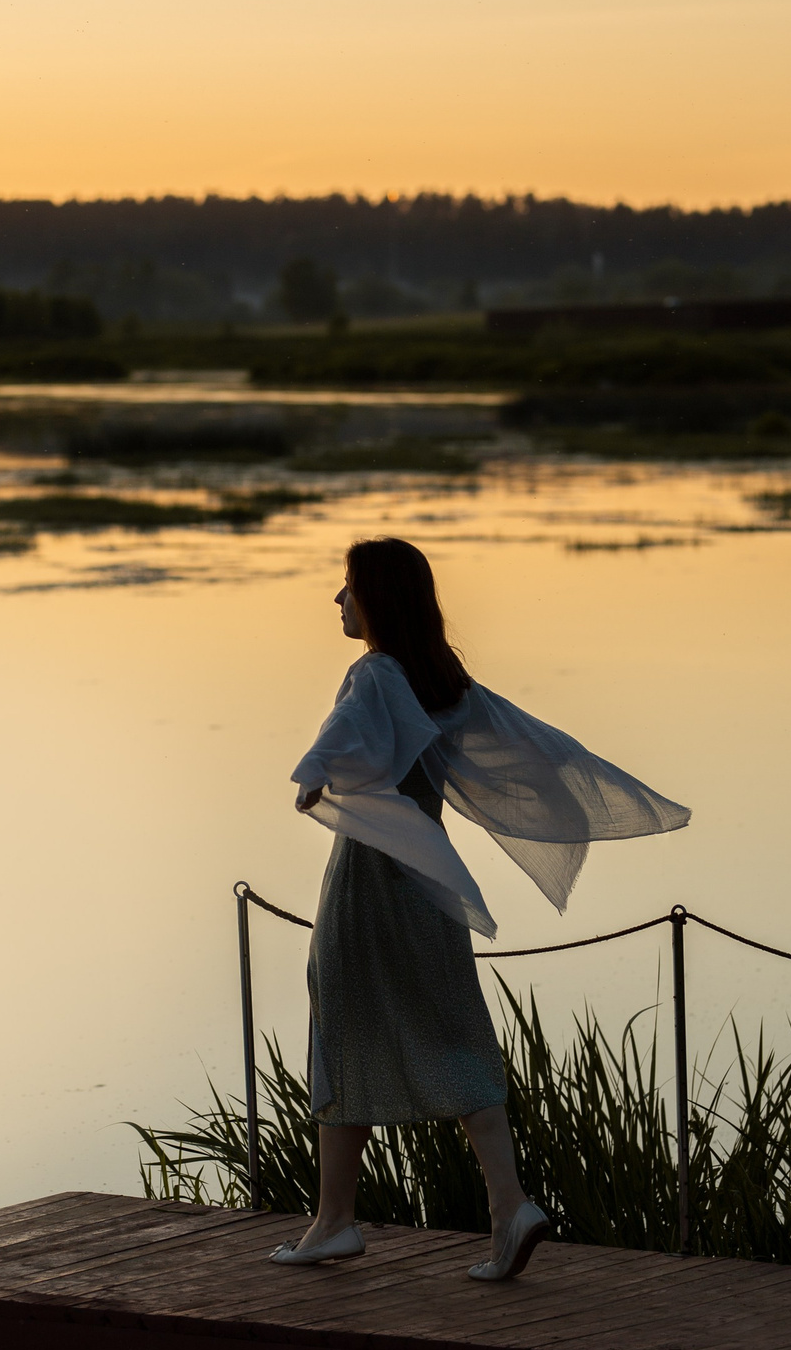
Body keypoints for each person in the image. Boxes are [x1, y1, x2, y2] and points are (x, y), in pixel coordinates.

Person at [271, 537, 690, 1282]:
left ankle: (335, 1220)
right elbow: (526, 746)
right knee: (454, 1031)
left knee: (342, 1023)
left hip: (369, 886)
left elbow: (342, 745)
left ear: (378, 598)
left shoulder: (372, 673)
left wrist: (313, 778)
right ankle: (510, 1202)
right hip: (430, 884)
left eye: (347, 587)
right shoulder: (443, 679)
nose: (338, 600)